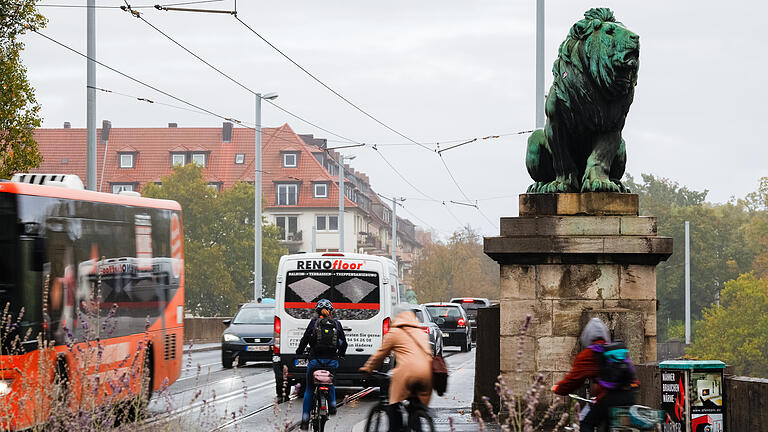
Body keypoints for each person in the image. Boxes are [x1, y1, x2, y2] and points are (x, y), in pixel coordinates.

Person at [551, 318, 638, 431]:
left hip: (608, 398)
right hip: (629, 395)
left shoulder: (588, 354)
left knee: (586, 423)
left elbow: (573, 380)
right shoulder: (614, 351)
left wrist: (558, 388)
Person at [360, 305, 432, 432]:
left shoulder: (395, 332)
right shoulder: (419, 331)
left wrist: (368, 368)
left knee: (394, 400)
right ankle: (417, 422)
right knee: (414, 405)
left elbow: (380, 355)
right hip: (427, 373)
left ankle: (395, 428)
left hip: (407, 373)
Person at [296, 299, 347, 430]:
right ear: (331, 311)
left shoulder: (314, 323)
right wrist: (341, 354)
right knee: (330, 383)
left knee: (309, 388)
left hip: (314, 362)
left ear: (317, 311)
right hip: (331, 362)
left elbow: (305, 339)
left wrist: (299, 352)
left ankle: (305, 419)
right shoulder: (337, 324)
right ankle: (333, 404)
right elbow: (344, 343)